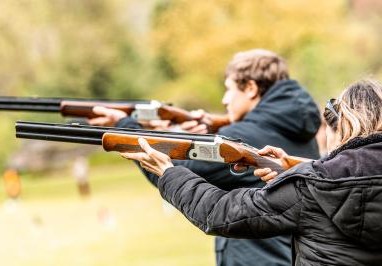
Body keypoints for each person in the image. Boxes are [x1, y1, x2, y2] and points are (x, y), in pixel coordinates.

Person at [89, 49, 321, 266]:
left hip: (256, 258)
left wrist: (125, 126)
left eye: (229, 89)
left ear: (250, 88)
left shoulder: (241, 135)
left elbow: (173, 170)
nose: (224, 100)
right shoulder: (300, 130)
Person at [120, 79, 382, 265]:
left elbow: (220, 212)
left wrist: (169, 173)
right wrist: (297, 167)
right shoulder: (311, 180)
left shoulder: (310, 188)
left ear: (343, 126)